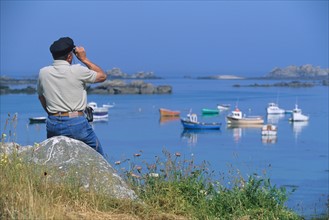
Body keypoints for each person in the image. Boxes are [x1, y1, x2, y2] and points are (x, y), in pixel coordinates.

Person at [37, 37, 107, 156]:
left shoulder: (43, 72)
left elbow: (41, 97)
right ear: (70, 56)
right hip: (76, 122)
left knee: (57, 158)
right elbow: (102, 76)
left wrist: (52, 114)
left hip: (52, 123)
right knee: (98, 157)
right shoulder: (78, 70)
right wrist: (84, 59)